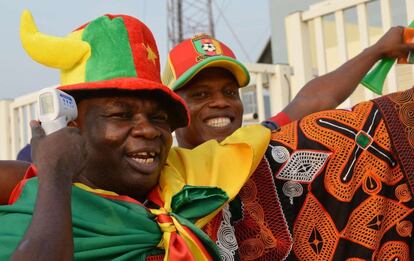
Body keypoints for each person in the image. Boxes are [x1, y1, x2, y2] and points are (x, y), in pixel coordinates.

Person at [0, 11, 271, 260]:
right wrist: (55, 176)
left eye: (159, 118)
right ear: (71, 127)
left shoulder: (187, 175)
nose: (149, 129)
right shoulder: (27, 207)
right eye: (121, 114)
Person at [162, 28, 414, 259]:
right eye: (201, 94)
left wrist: (377, 50)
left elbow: (313, 100)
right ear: (171, 110)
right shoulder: (159, 179)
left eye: (229, 92)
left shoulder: (256, 146)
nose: (221, 102)